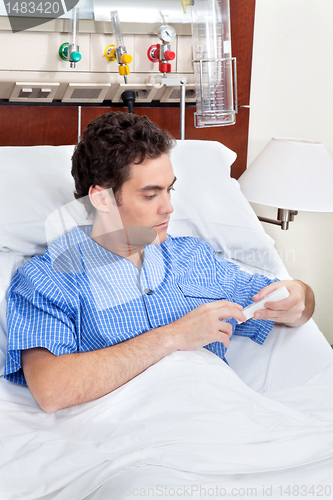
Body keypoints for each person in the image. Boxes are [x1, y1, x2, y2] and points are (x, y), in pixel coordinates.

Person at [4, 112, 314, 413]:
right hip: (134, 439)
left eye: (170, 190)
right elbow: (52, 390)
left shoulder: (193, 258)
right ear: (101, 199)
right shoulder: (49, 278)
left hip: (223, 418)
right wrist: (175, 336)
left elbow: (289, 307)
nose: (168, 208)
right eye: (151, 195)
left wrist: (299, 296)